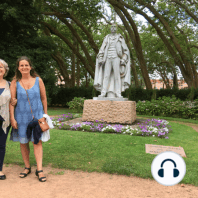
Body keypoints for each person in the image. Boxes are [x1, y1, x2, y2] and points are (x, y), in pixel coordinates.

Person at [10, 56, 47, 182]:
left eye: (26, 65)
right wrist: (12, 118)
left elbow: (44, 98)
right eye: (22, 65)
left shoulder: (38, 80)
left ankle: (40, 170)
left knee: (37, 141)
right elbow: (12, 101)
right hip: (20, 117)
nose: (24, 67)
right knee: (23, 142)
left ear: (30, 67)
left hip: (37, 116)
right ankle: (27, 167)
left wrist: (45, 115)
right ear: (18, 68)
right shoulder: (14, 82)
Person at [94, 24, 131, 98]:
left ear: (116, 29)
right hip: (107, 58)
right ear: (110, 28)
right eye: (112, 27)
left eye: (115, 27)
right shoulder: (107, 38)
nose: (113, 28)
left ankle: (118, 93)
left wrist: (123, 59)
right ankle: (103, 92)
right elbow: (102, 49)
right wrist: (101, 57)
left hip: (116, 58)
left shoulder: (120, 38)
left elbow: (126, 50)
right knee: (106, 76)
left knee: (117, 76)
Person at [0, 59, 17, 180]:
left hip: (4, 119)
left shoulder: (10, 85)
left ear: (5, 70)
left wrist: (15, 101)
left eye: (1, 67)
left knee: (1, 145)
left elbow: (13, 102)